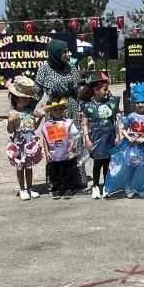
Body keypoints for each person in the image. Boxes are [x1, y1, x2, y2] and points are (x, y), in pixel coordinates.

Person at [33, 39, 86, 189]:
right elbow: (37, 92)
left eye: (67, 51)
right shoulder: (44, 69)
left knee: (73, 143)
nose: (67, 54)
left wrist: (82, 110)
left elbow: (78, 92)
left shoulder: (71, 68)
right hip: (54, 109)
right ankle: (56, 182)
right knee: (55, 143)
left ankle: (75, 179)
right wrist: (27, 108)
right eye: (63, 52)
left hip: (71, 108)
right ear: (55, 53)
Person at [103, 83, 144, 199]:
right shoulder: (131, 116)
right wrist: (128, 137)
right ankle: (128, 186)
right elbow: (124, 129)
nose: (141, 105)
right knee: (131, 166)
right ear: (134, 103)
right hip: (133, 148)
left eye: (143, 102)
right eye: (138, 103)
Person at [80, 72, 121, 199]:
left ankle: (107, 186)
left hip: (109, 138)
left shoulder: (111, 103)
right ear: (96, 90)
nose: (107, 92)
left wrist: (118, 135)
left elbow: (116, 120)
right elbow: (85, 123)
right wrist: (86, 138)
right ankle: (96, 186)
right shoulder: (88, 106)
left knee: (108, 164)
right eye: (104, 89)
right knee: (97, 164)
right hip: (96, 139)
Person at [6, 76, 44, 201]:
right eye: (23, 98)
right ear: (16, 98)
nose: (26, 100)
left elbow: (33, 127)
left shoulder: (30, 111)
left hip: (29, 143)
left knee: (29, 166)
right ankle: (22, 189)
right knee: (20, 167)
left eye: (28, 98)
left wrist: (39, 119)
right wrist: (10, 122)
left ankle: (30, 188)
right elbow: (10, 131)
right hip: (19, 143)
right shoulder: (13, 113)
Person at [41, 96, 80, 199]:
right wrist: (46, 151)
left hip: (67, 153)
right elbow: (45, 139)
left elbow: (74, 135)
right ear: (50, 111)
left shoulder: (68, 122)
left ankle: (67, 188)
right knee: (54, 173)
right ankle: (56, 189)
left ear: (64, 109)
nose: (58, 111)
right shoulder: (47, 125)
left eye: (61, 108)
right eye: (55, 109)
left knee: (68, 172)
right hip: (54, 155)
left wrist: (73, 146)